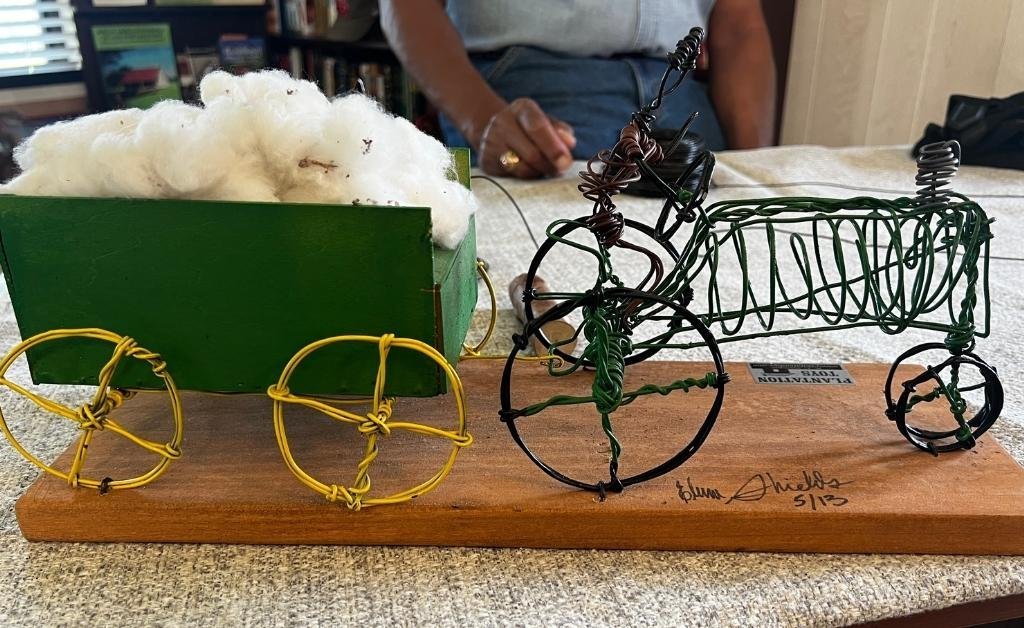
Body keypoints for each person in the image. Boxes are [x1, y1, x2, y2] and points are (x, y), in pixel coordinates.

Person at [380, 0, 776, 179]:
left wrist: (758, 172)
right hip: (531, 97)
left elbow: (740, 24)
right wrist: (483, 121)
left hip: (682, 95)